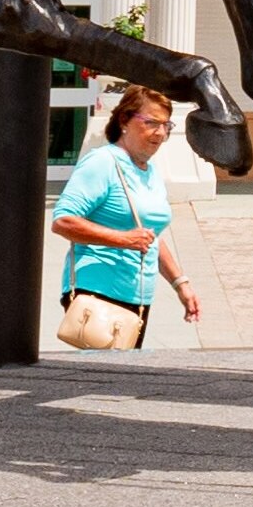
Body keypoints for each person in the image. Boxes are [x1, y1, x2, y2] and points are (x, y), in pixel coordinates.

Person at [53, 85, 205, 347]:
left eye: (166, 126)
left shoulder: (150, 172)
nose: (159, 133)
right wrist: (123, 239)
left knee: (118, 380)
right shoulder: (103, 163)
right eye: (151, 123)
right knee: (105, 379)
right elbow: (63, 221)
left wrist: (181, 284)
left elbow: (149, 237)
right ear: (124, 120)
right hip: (98, 291)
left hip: (138, 298)